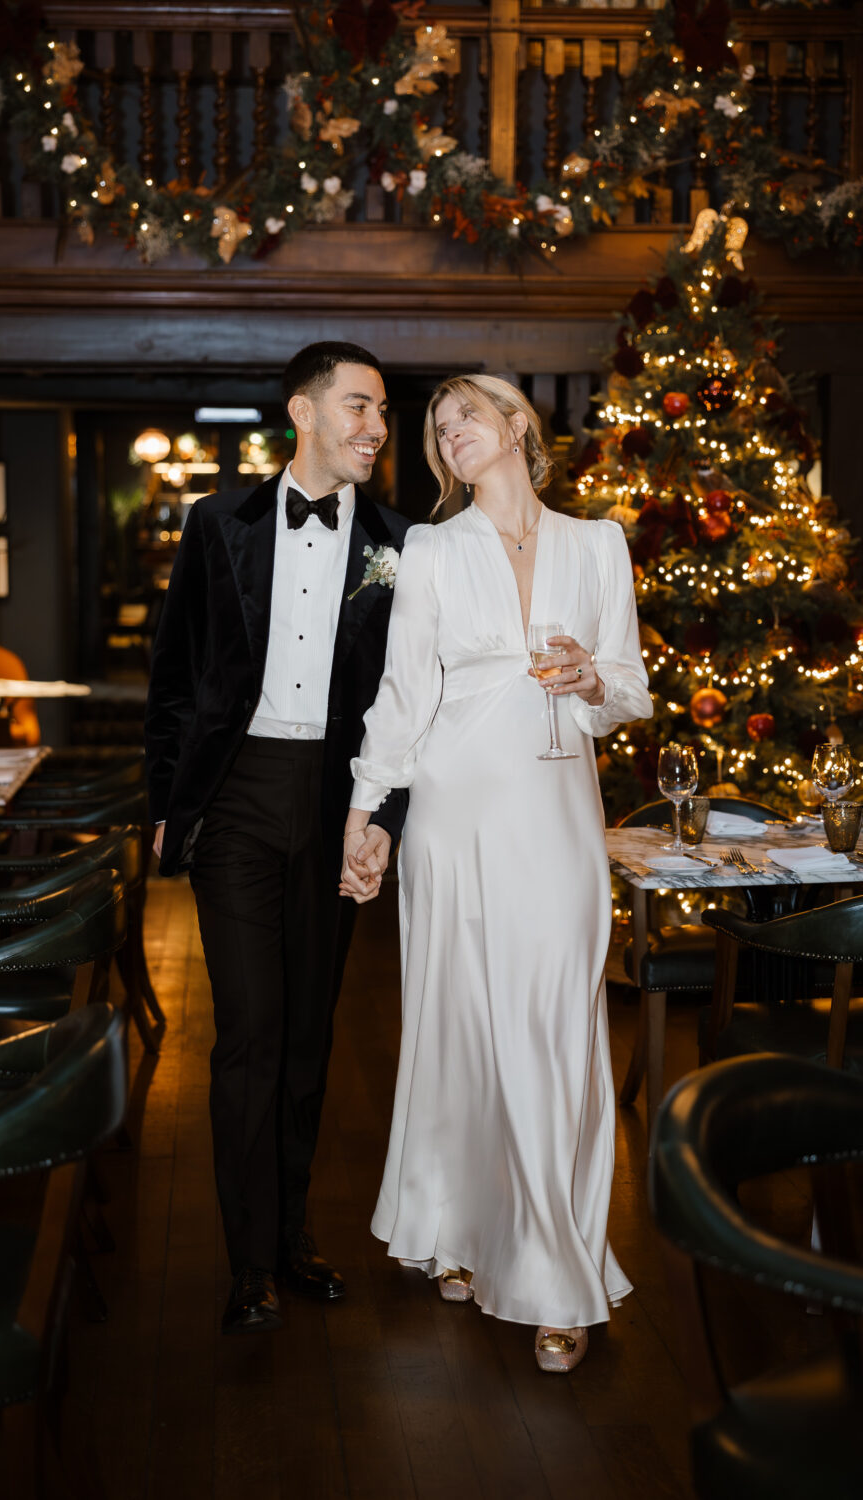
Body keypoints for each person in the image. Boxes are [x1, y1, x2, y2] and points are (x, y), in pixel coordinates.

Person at [340, 374, 652, 1372]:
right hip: (452, 812)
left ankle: (557, 1271)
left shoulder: (597, 542)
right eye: (436, 428)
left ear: (517, 425)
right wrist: (367, 809)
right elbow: (403, 692)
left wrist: (593, 678)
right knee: (463, 1030)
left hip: (558, 817)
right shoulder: (430, 549)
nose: (447, 433)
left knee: (554, 1029)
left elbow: (628, 691)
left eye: (464, 415)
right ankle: (462, 1232)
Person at [145, 342, 412, 1335]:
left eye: (382, 409)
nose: (375, 426)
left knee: (307, 1035)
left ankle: (293, 1236)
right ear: (301, 411)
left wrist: (381, 817)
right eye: (356, 406)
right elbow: (172, 680)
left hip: (338, 802)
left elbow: (405, 697)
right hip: (241, 798)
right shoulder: (218, 524)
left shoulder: (398, 542)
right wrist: (168, 800)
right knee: (250, 1033)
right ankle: (246, 1259)